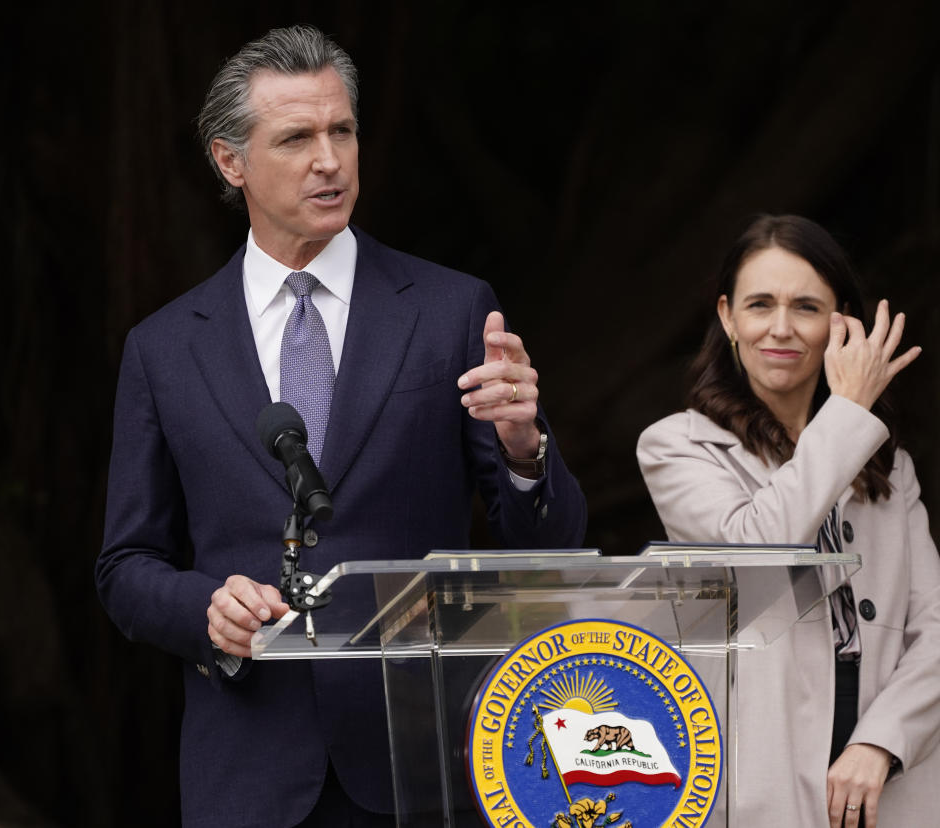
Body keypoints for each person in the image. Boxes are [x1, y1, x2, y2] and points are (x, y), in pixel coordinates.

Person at [95, 25, 586, 828]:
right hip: (247, 769)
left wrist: (525, 450)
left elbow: (553, 550)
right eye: (296, 137)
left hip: (422, 763)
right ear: (231, 162)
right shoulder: (164, 347)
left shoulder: (450, 309)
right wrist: (206, 610)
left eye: (343, 131)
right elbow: (125, 566)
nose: (330, 159)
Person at [636, 215, 940, 827]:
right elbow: (753, 549)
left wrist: (882, 742)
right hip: (762, 777)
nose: (781, 328)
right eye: (760, 305)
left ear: (840, 322)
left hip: (892, 785)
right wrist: (845, 411)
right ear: (728, 317)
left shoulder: (887, 465)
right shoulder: (677, 446)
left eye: (807, 307)